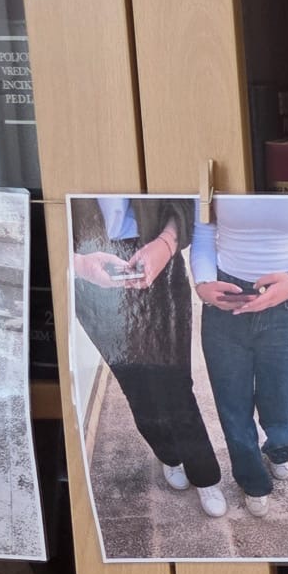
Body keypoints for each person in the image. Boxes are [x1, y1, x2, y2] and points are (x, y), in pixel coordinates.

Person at [192, 194, 288, 517]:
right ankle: (251, 480)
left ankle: (280, 449)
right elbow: (202, 232)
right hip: (226, 299)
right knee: (232, 403)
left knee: (286, 398)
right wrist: (204, 282)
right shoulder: (214, 170)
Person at [71, 197, 225, 518]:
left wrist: (167, 243)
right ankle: (168, 453)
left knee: (176, 383)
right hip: (89, 273)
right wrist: (78, 264)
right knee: (135, 385)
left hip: (157, 257)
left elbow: (184, 199)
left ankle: (205, 474)